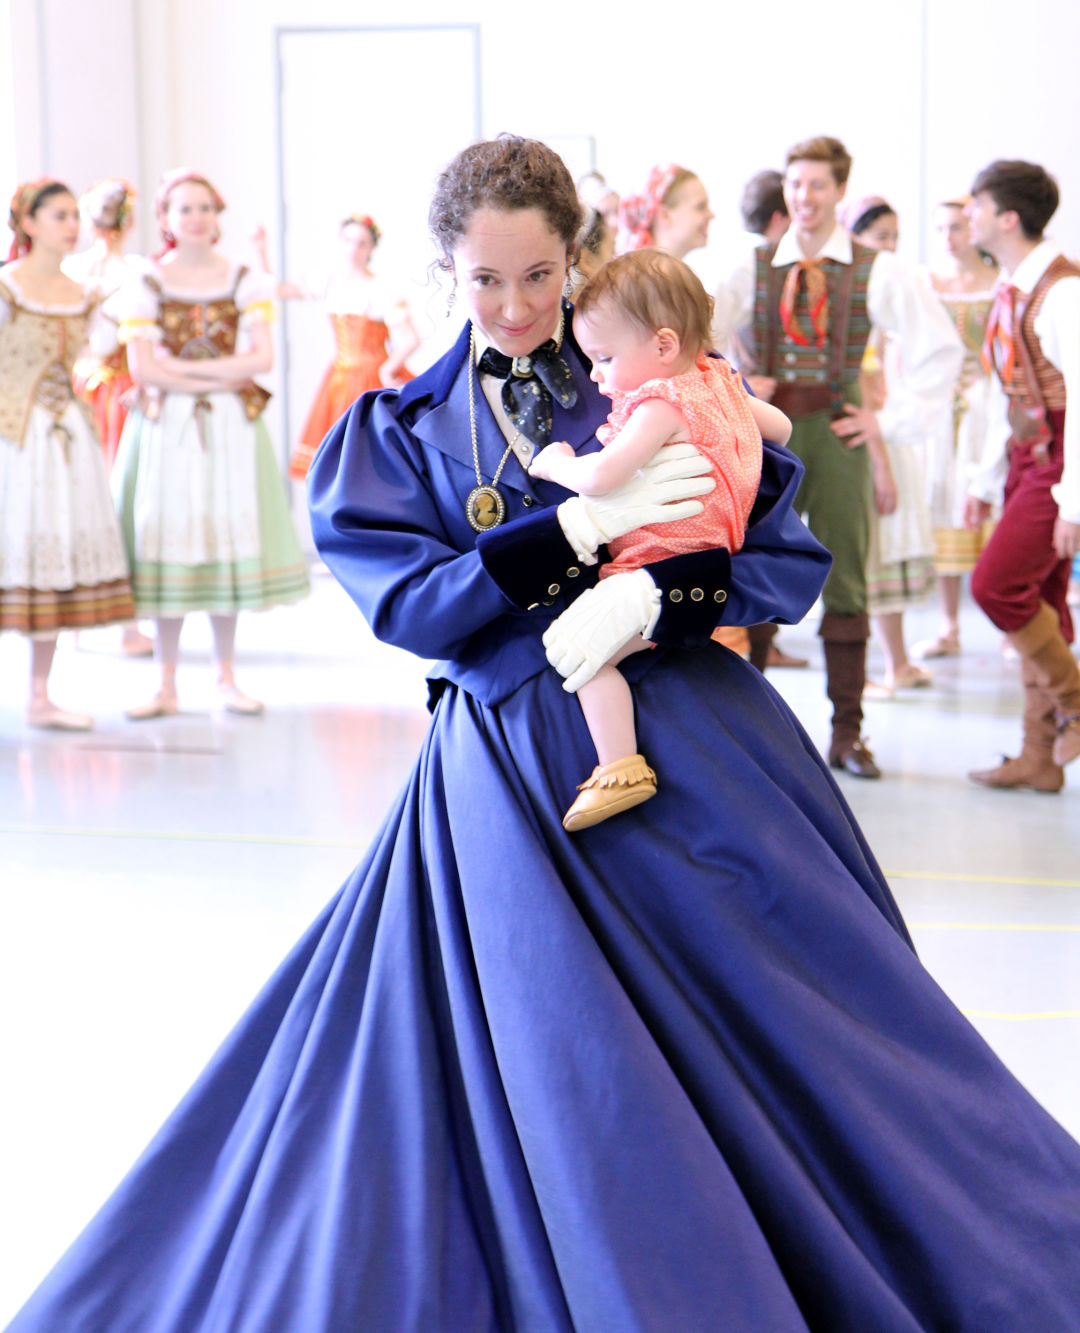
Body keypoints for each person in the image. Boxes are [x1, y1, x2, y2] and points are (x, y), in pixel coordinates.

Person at [8, 137, 1080, 1333]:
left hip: (703, 763)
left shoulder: (667, 377)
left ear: (577, 261)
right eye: (485, 281)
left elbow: (784, 564)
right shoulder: (401, 428)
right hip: (508, 777)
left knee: (831, 1048)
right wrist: (571, 535)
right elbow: (413, 609)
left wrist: (661, 594)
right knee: (560, 1070)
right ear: (446, 274)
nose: (515, 306)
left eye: (538, 277)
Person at [713, 136, 962, 777]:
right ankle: (753, 727)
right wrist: (737, 379)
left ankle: (846, 735)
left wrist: (889, 419)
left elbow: (940, 349)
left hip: (839, 426)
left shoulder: (879, 270)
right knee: (755, 568)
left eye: (817, 185)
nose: (804, 197)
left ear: (840, 191)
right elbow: (693, 336)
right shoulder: (752, 267)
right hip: (766, 434)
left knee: (847, 577)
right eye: (795, 185)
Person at [528, 249, 785, 830]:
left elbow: (601, 477)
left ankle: (620, 768)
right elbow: (782, 428)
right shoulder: (716, 380)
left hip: (658, 561)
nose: (595, 374)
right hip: (712, 558)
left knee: (581, 656)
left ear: (664, 346)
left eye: (605, 358)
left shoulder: (661, 403)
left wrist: (556, 464)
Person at [110, 169, 310, 720]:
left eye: (205, 207)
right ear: (166, 219)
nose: (197, 217)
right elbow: (142, 368)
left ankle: (226, 676)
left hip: (227, 427)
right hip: (167, 427)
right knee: (165, 539)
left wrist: (183, 373)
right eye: (184, 208)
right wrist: (218, 376)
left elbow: (262, 359)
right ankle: (166, 682)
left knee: (226, 536)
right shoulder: (147, 281)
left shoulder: (245, 277)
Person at [0, 179, 135, 729]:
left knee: (52, 548)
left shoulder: (85, 292)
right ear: (28, 223)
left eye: (72, 216)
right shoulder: (7, 287)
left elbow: (104, 350)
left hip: (66, 435)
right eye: (58, 216)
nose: (70, 226)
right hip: (13, 436)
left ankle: (40, 695)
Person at [964, 159, 1080, 792]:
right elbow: (1003, 395)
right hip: (1027, 453)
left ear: (1007, 217)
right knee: (1045, 600)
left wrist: (1073, 503)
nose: (968, 216)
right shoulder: (1011, 286)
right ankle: (1039, 755)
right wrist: (984, 481)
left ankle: (1077, 703)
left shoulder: (1062, 292)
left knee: (997, 586)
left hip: (1059, 458)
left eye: (977, 206)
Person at [841, 195, 935, 697]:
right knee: (877, 553)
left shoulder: (885, 311)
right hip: (874, 445)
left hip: (890, 437)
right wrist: (881, 466)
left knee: (890, 551)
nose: (890, 249)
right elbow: (862, 393)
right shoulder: (857, 310)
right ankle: (881, 667)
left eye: (895, 238)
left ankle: (896, 663)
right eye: (881, 239)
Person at [720, 168, 809, 672]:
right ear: (781, 216)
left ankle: (765, 649)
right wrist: (743, 377)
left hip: (800, 419)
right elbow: (703, 338)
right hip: (756, 424)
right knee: (759, 535)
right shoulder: (746, 270)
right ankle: (755, 660)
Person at [63, 177, 153, 658]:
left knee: (84, 498)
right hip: (119, 389)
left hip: (79, 386)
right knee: (120, 502)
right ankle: (126, 626)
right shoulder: (135, 270)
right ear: (129, 220)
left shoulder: (70, 267)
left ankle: (77, 622)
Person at [915, 196, 1000, 659]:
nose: (950, 238)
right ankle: (949, 624)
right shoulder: (929, 284)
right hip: (941, 408)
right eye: (942, 228)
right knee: (944, 505)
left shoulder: (998, 282)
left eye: (958, 228)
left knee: (991, 501)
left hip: (988, 405)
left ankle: (1007, 624)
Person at [283, 213, 420, 482]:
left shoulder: (380, 289)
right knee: (338, 462)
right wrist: (262, 252)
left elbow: (410, 339)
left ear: (371, 248)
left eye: (362, 243)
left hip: (368, 378)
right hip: (339, 379)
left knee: (370, 459)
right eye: (348, 241)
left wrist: (388, 368)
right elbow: (281, 291)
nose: (353, 249)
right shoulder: (331, 282)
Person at [619, 162, 713, 259]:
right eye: (701, 207)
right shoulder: (641, 273)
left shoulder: (646, 270)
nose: (711, 215)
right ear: (664, 215)